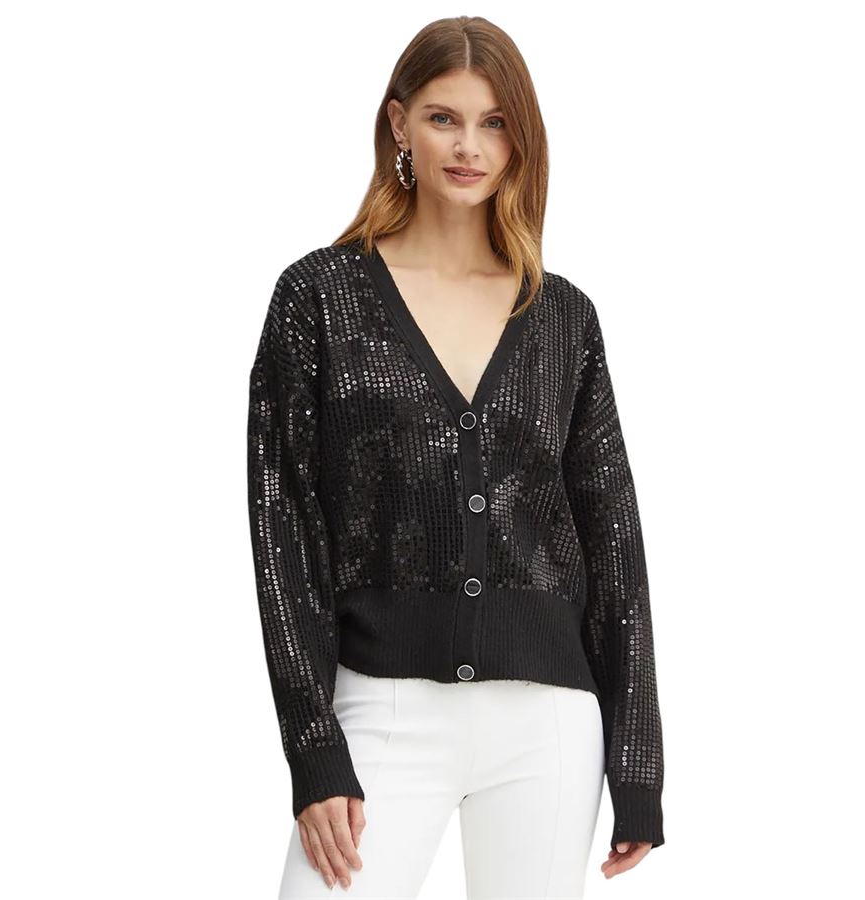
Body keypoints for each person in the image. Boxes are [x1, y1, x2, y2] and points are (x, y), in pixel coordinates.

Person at [246, 15, 665, 899]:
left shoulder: (562, 317)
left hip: (549, 723)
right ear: (399, 123)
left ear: (521, 139)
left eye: (494, 122)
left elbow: (612, 535)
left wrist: (636, 762)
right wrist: (313, 748)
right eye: (444, 118)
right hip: (384, 706)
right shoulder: (319, 297)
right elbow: (284, 524)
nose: (470, 147)